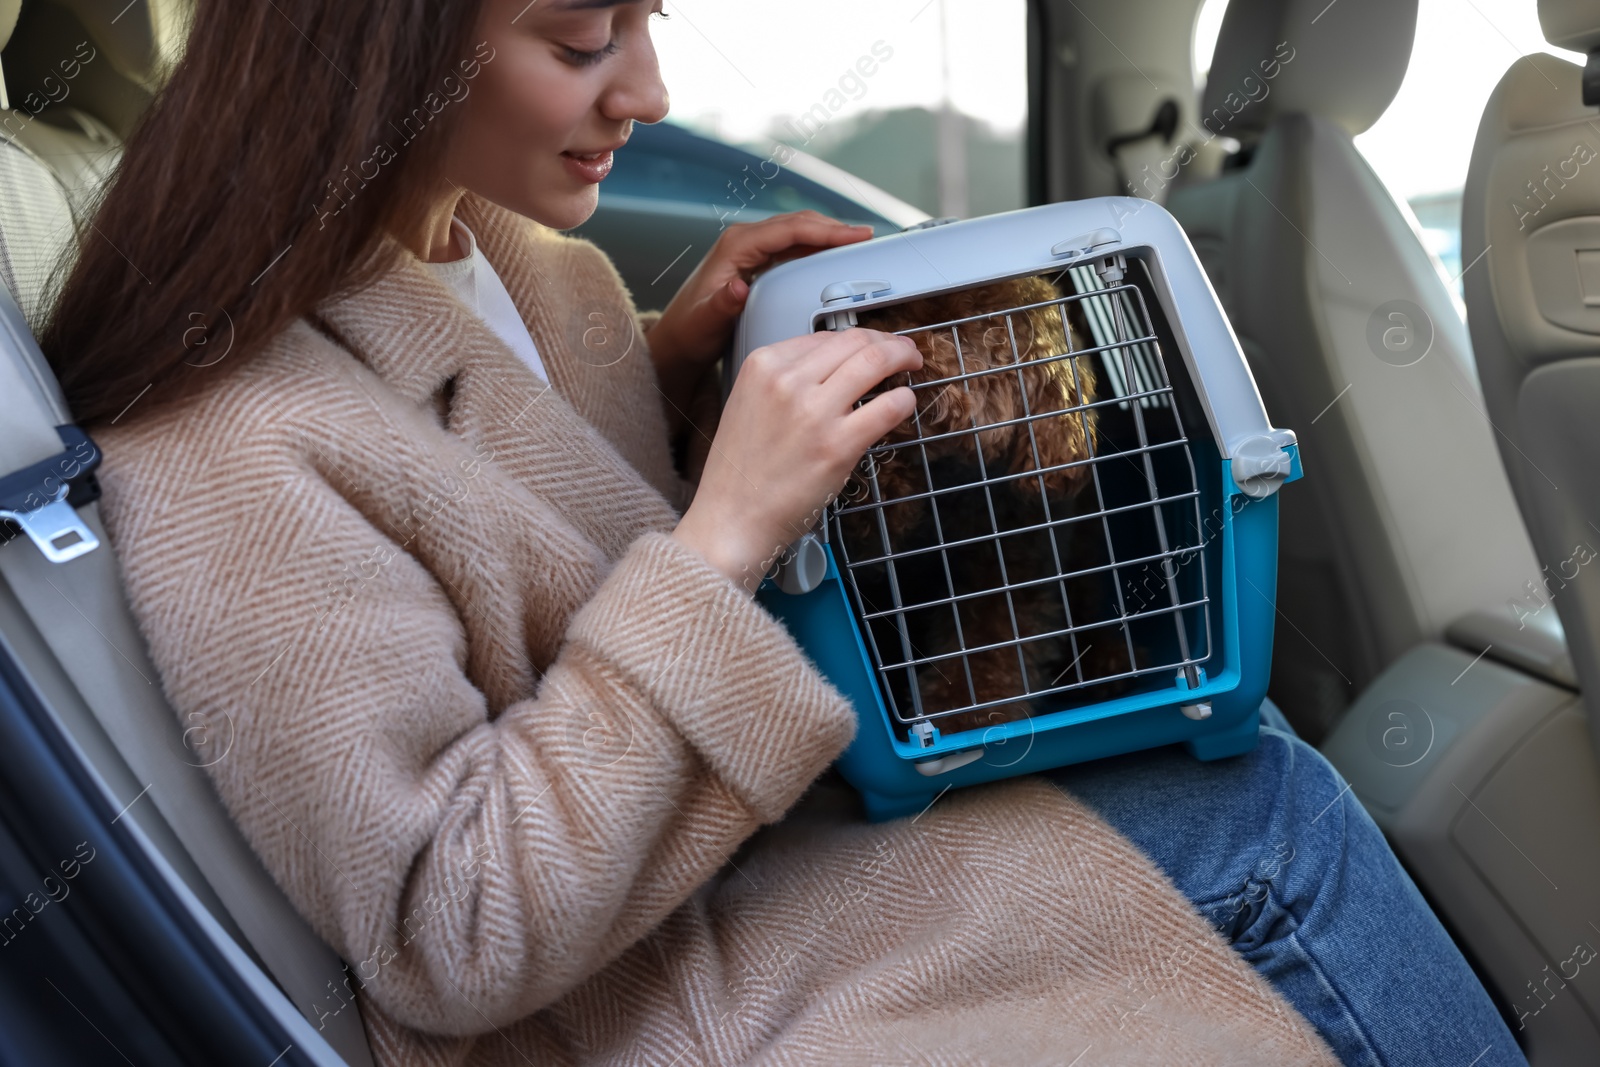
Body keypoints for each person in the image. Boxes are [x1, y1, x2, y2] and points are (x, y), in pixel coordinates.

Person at [40, 1, 1521, 1064]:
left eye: (649, 20)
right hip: (634, 1001)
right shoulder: (223, 441)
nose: (653, 88)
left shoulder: (510, 269)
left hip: (719, 881)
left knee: (1254, 769)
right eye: (582, 41)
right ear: (385, 47)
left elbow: (536, 519)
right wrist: (726, 531)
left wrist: (673, 375)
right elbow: (456, 930)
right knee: (1272, 816)